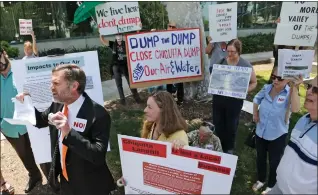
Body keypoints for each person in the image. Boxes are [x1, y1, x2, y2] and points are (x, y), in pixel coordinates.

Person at [16, 64, 116, 195]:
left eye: (56, 83)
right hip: (65, 183)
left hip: (90, 186)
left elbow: (97, 155)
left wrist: (69, 132)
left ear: (74, 86)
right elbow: (41, 120)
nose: (51, 87)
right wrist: (26, 103)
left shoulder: (98, 114)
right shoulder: (57, 105)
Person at [0, 47, 54, 193]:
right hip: (9, 126)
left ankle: (53, 180)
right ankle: (34, 176)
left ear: (4, 54)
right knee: (24, 155)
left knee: (42, 152)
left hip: (31, 123)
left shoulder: (20, 71)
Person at [118, 91, 189, 186]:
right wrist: (130, 175)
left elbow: (183, 172)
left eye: (149, 107)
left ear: (163, 110)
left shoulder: (179, 136)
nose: (145, 110)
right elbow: (143, 158)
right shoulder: (150, 125)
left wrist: (182, 149)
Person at [252, 68, 302, 194]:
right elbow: (256, 99)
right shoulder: (267, 88)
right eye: (273, 76)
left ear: (287, 79)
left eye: (279, 78)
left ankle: (271, 184)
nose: (275, 80)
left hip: (277, 134)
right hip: (261, 130)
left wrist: (294, 88)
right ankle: (261, 179)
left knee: (275, 162)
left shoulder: (289, 93)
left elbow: (296, 109)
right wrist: (255, 114)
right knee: (260, 158)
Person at [268, 76, 318, 194]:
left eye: (316, 90)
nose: (309, 91)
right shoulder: (303, 120)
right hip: (278, 187)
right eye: (309, 86)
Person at [212, 39, 257, 154]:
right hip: (219, 99)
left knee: (231, 125)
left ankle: (229, 148)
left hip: (234, 101)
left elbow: (254, 82)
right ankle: (219, 145)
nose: (230, 54)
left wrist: (244, 91)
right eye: (228, 51)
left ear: (239, 51)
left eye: (233, 52)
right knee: (218, 123)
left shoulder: (246, 65)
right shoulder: (221, 62)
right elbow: (215, 79)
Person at [100, 31, 142, 105]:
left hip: (125, 65)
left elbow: (136, 41)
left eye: (120, 35)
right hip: (115, 66)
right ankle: (122, 101)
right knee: (119, 84)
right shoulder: (112, 44)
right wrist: (101, 33)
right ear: (115, 37)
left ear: (122, 36)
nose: (119, 37)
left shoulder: (126, 44)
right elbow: (103, 41)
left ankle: (137, 98)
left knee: (130, 82)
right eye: (117, 35)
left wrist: (138, 30)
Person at [166, 21, 184, 105]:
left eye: (173, 27)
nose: (172, 28)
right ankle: (170, 99)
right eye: (170, 26)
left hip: (178, 64)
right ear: (167, 27)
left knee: (180, 82)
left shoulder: (179, 37)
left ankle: (180, 99)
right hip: (168, 65)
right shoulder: (162, 37)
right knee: (169, 82)